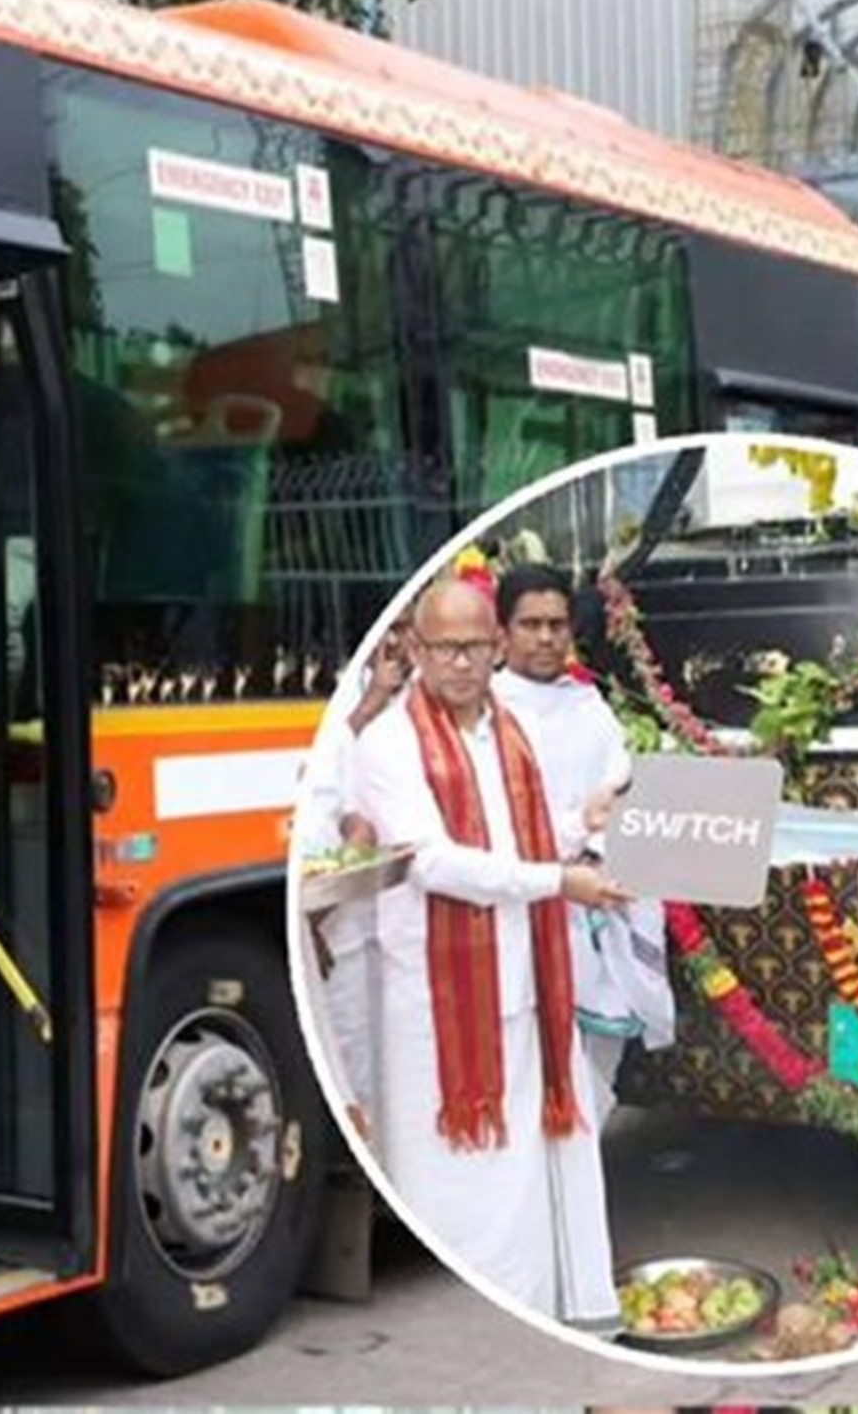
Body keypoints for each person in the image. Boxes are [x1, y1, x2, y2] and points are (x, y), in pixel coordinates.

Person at [344, 577, 629, 1328]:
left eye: (474, 646)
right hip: (440, 1012)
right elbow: (434, 863)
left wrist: (581, 821)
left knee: (528, 1179)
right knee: (461, 1188)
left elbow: (517, 840)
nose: (462, 662)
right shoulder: (389, 743)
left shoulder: (509, 729)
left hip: (526, 986)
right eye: (445, 648)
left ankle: (540, 1319)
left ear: (495, 648)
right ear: (415, 649)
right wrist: (561, 882)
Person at [488, 565, 676, 1123]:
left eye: (557, 624)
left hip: (599, 910)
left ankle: (581, 1171)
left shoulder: (588, 704)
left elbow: (618, 788)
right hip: (523, 910)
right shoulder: (488, 711)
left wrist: (601, 834)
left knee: (594, 1081)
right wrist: (572, 830)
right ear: (502, 633)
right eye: (531, 625)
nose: (546, 638)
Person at [297, 617, 411, 1141]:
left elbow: (354, 820)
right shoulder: (343, 702)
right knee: (353, 1066)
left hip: (379, 923)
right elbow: (342, 805)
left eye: (405, 629)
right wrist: (311, 922)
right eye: (392, 629)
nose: (396, 642)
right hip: (338, 929)